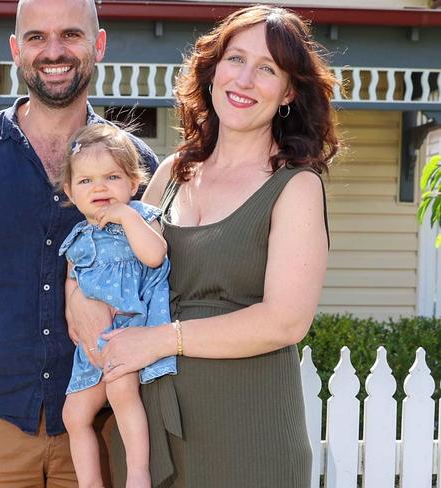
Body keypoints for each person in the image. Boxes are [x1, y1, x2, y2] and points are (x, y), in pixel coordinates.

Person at [69, 5, 339, 487]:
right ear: (213, 71)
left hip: (247, 433)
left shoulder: (296, 186)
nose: (245, 80)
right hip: (151, 429)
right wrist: (78, 302)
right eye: (236, 59)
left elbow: (285, 321)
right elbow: (111, 256)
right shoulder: (170, 174)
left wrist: (160, 339)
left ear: (289, 92)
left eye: (267, 69)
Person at [0, 0, 158, 486]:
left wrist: (78, 291)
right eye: (37, 37)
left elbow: (163, 278)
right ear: (17, 51)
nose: (53, 51)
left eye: (71, 35)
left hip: (101, 425)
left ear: (98, 45)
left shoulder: (134, 163)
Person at [58, 124, 176, 488]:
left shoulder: (142, 216)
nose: (99, 187)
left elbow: (155, 255)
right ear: (69, 191)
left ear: (133, 182)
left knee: (121, 392)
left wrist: (127, 217)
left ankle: (138, 473)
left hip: (131, 332)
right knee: (73, 414)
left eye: (111, 177)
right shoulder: (77, 237)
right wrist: (71, 309)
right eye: (86, 181)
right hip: (93, 344)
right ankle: (90, 482)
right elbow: (72, 280)